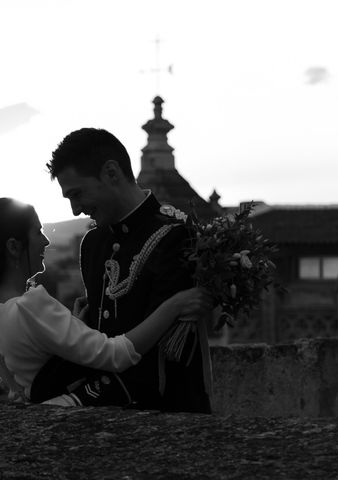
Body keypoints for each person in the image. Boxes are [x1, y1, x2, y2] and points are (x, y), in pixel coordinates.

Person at [0, 197, 212, 406]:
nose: (46, 240)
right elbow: (116, 355)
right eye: (38, 232)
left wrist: (73, 325)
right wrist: (174, 305)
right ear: (13, 246)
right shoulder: (30, 306)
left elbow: (42, 365)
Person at [34, 127, 212, 413]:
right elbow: (97, 344)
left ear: (111, 173)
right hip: (106, 413)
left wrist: (73, 400)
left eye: (77, 194)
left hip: (166, 416)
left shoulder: (177, 238)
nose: (75, 210)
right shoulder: (93, 243)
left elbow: (158, 362)